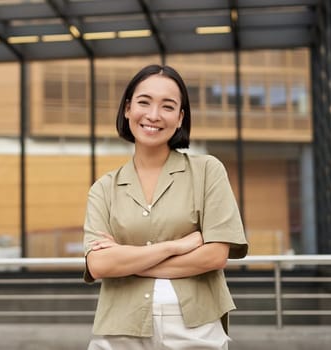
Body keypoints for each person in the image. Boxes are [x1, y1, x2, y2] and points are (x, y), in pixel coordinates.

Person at [82, 64, 248, 349]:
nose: (153, 115)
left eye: (167, 106)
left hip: (195, 326)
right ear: (127, 109)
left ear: (180, 117)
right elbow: (98, 264)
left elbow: (215, 256)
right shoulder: (104, 188)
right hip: (121, 328)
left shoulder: (207, 170)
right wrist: (176, 247)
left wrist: (129, 263)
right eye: (144, 102)